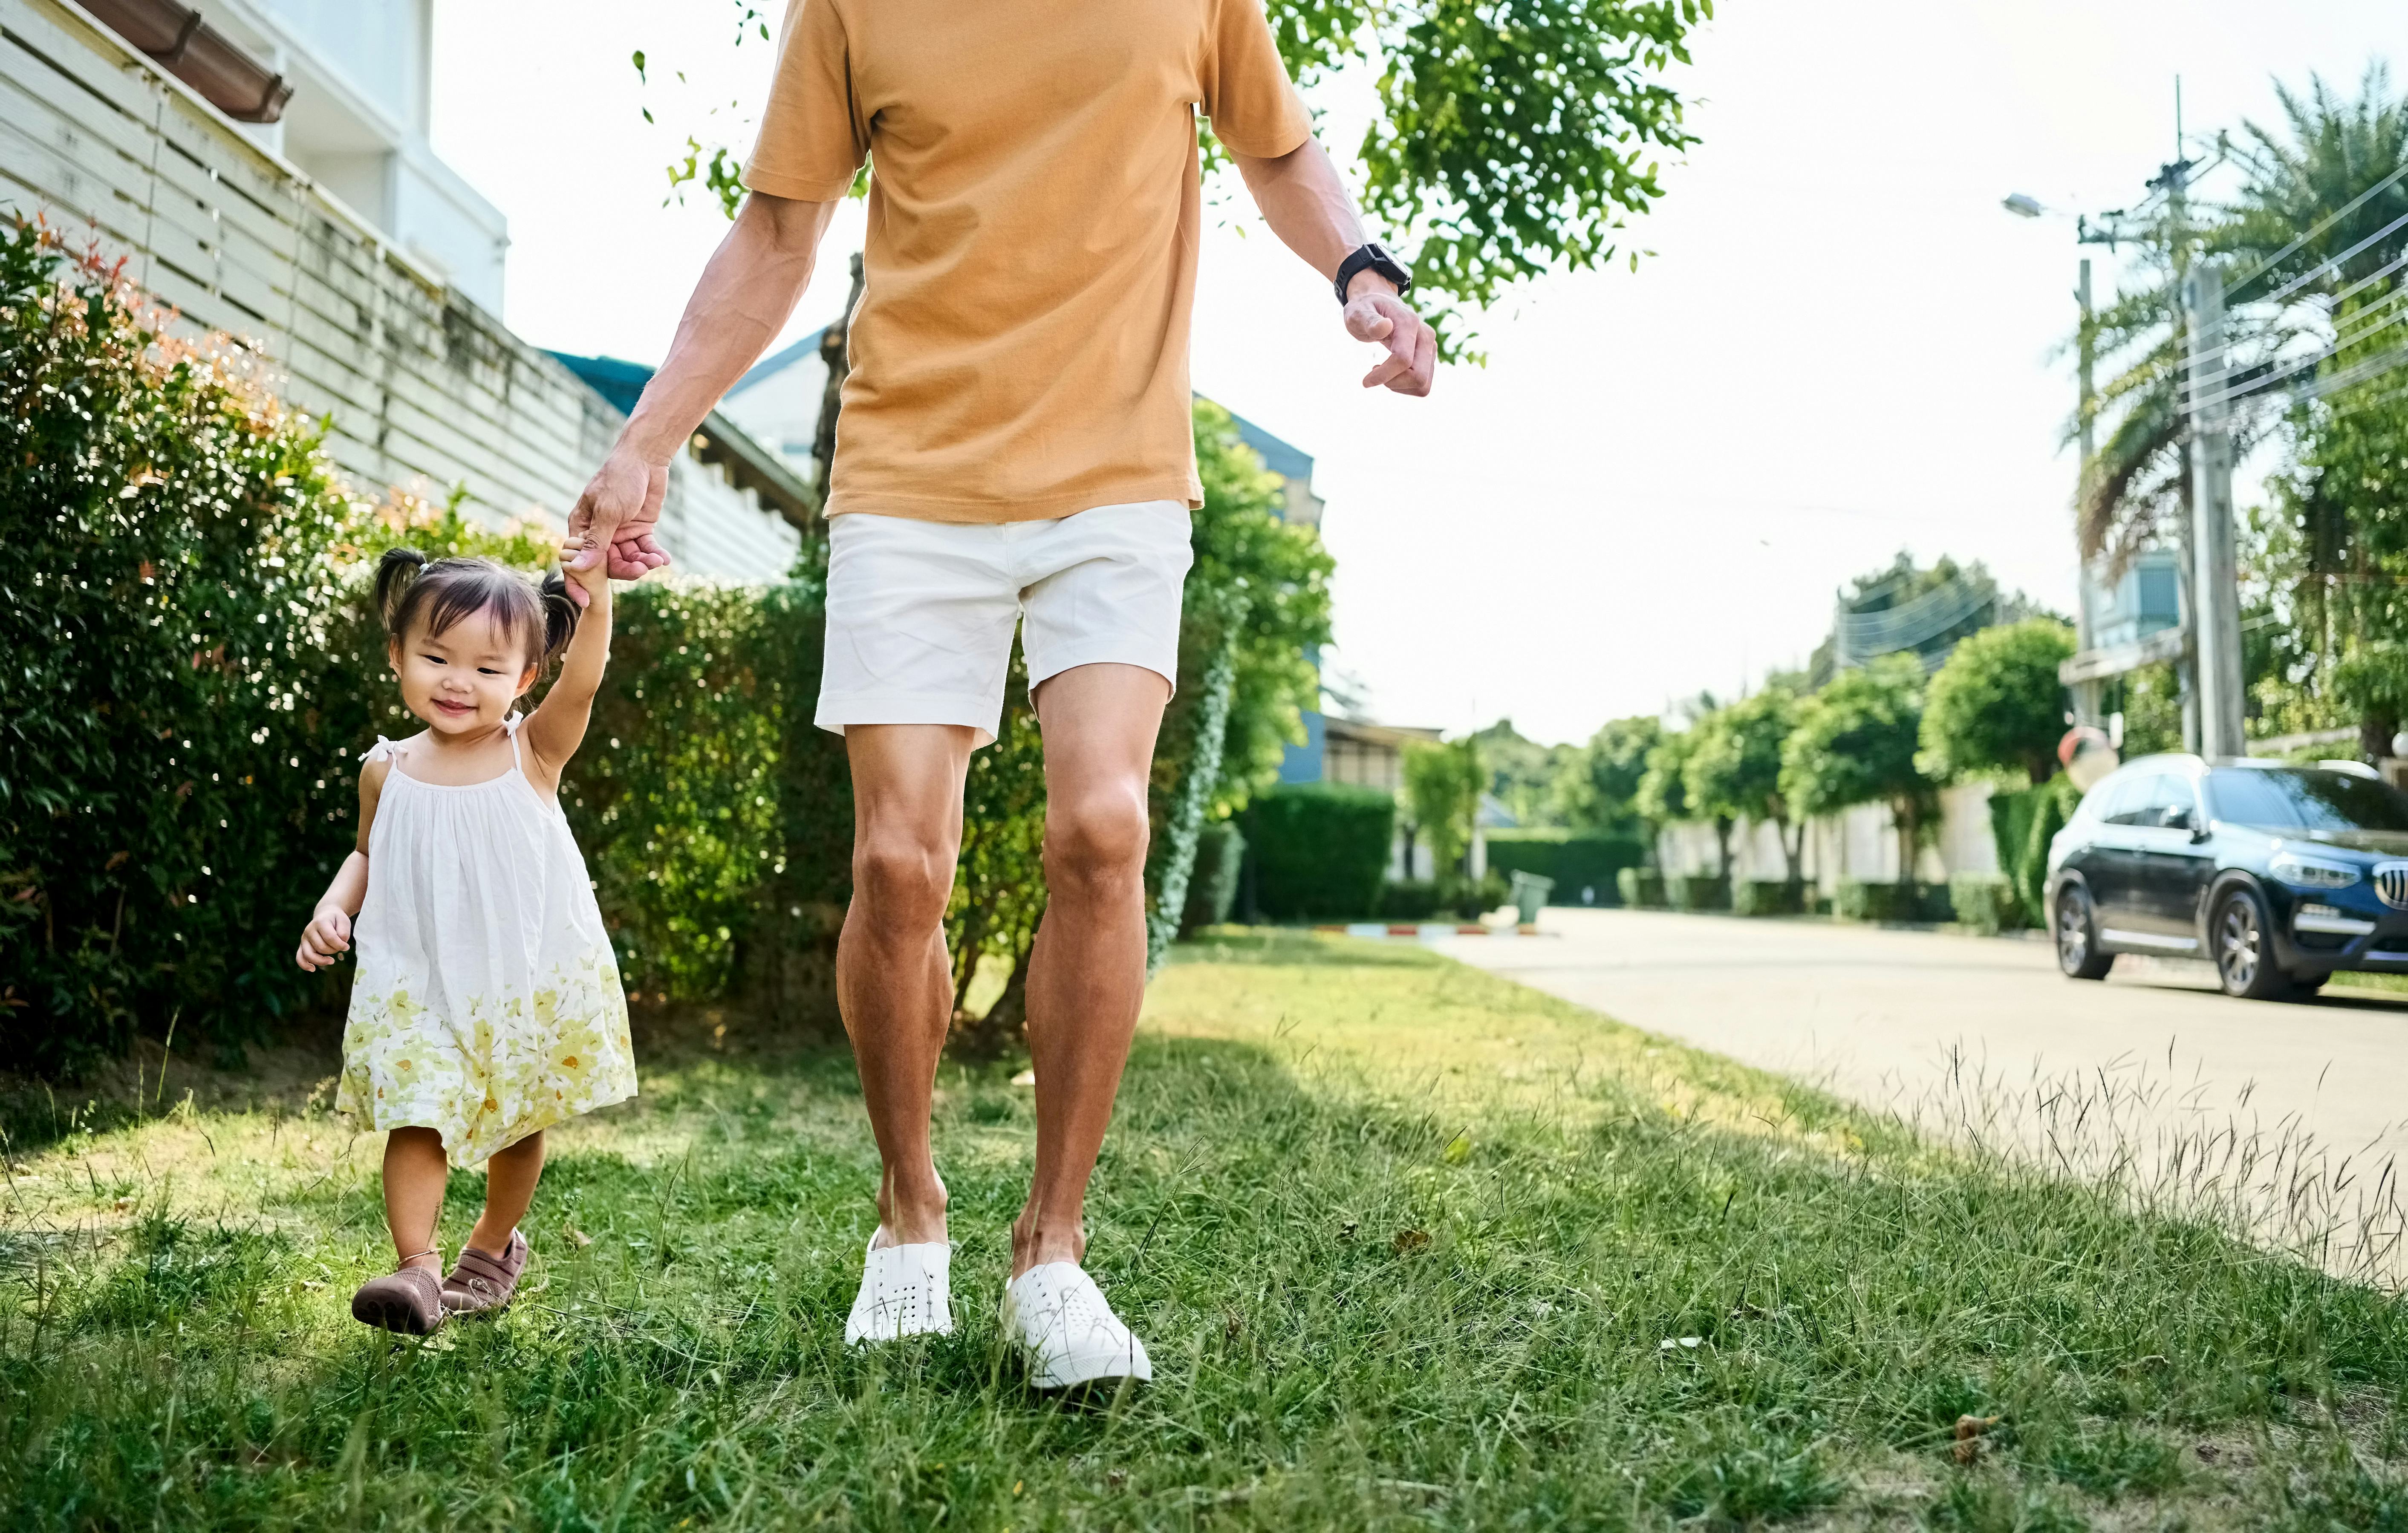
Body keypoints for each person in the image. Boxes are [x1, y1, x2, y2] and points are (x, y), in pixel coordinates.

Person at [568, 0, 1435, 1389]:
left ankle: (1054, 1248)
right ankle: (910, 1209)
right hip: (913, 474)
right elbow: (781, 231)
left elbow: (1278, 147)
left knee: (1104, 827)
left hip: (1120, 472)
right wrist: (646, 435)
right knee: (898, 861)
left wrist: (1360, 265)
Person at [297, 544, 635, 1335]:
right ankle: (415, 1268)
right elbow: (368, 854)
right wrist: (333, 906)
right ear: (398, 656)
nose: (457, 680)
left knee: (517, 1125)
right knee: (416, 1116)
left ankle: (489, 1248)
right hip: (417, 979)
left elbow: (585, 674)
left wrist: (597, 593)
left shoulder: (532, 752)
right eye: (437, 656)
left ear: (524, 680)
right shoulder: (386, 768)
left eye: (487, 669)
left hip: (515, 979)